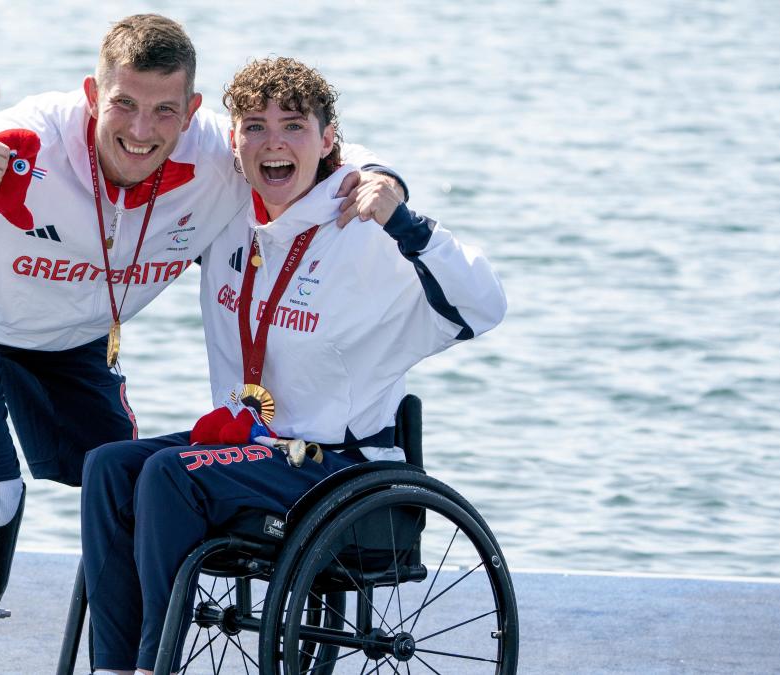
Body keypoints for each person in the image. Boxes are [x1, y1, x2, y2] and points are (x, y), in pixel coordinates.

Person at [0, 13, 405, 665]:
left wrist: (386, 178)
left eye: (163, 110)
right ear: (90, 96)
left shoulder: (217, 157)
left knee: (120, 479)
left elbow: (308, 152)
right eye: (123, 105)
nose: (141, 129)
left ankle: (123, 658)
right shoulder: (22, 140)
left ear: (190, 111)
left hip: (69, 335)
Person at [80, 56, 507, 675]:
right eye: (254, 127)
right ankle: (112, 666)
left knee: (169, 476)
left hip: (340, 466)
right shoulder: (229, 213)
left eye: (293, 127)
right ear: (234, 141)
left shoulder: (364, 227)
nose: (272, 143)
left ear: (328, 140)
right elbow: (148, 148)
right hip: (252, 446)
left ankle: (153, 666)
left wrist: (405, 219)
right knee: (110, 466)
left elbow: (485, 306)